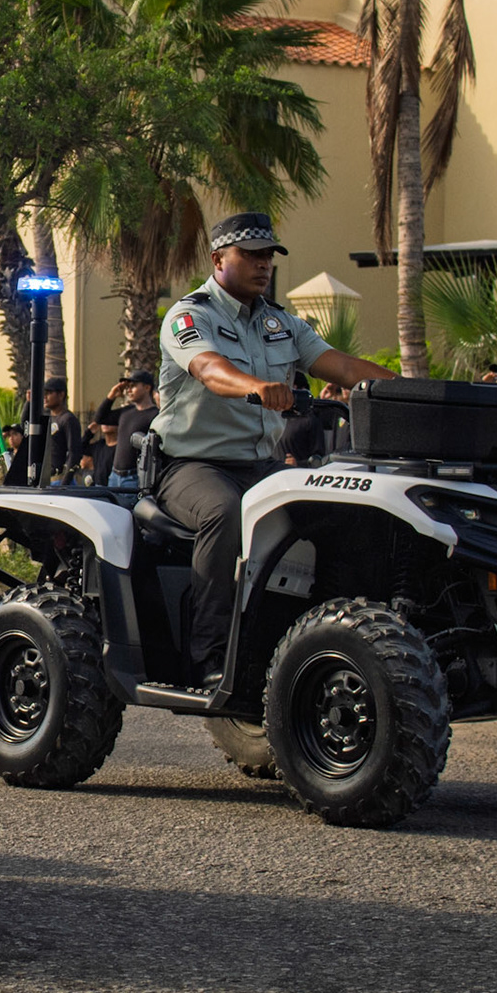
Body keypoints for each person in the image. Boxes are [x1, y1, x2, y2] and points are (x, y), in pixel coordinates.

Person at [156, 212, 395, 683]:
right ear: (218, 258)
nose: (263, 264)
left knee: (334, 510)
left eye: (268, 255)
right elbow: (207, 368)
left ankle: (325, 643)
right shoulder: (190, 315)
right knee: (225, 512)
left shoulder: (281, 324)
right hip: (191, 467)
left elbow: (342, 367)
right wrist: (258, 386)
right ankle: (209, 656)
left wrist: (414, 391)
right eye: (251, 254)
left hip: (262, 466)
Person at [94, 370, 159, 490]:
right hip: (114, 476)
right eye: (127, 387)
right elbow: (99, 418)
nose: (128, 390)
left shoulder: (155, 415)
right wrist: (111, 395)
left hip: (134, 477)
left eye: (133, 386)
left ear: (146, 387)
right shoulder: (126, 411)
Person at [38, 379, 81, 485]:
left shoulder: (68, 419)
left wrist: (65, 482)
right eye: (44, 393)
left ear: (61, 395)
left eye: (49, 393)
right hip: (46, 479)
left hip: (60, 479)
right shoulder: (47, 419)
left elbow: (74, 452)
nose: (45, 397)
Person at [80, 403, 120, 486]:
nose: (106, 423)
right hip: (98, 486)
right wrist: (89, 433)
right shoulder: (99, 445)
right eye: (104, 421)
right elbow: (80, 448)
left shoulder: (121, 447)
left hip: (115, 486)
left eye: (110, 420)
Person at [0, 422, 32, 487]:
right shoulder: (8, 453)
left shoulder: (28, 453)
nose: (11, 438)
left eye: (14, 434)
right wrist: (3, 437)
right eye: (9, 435)